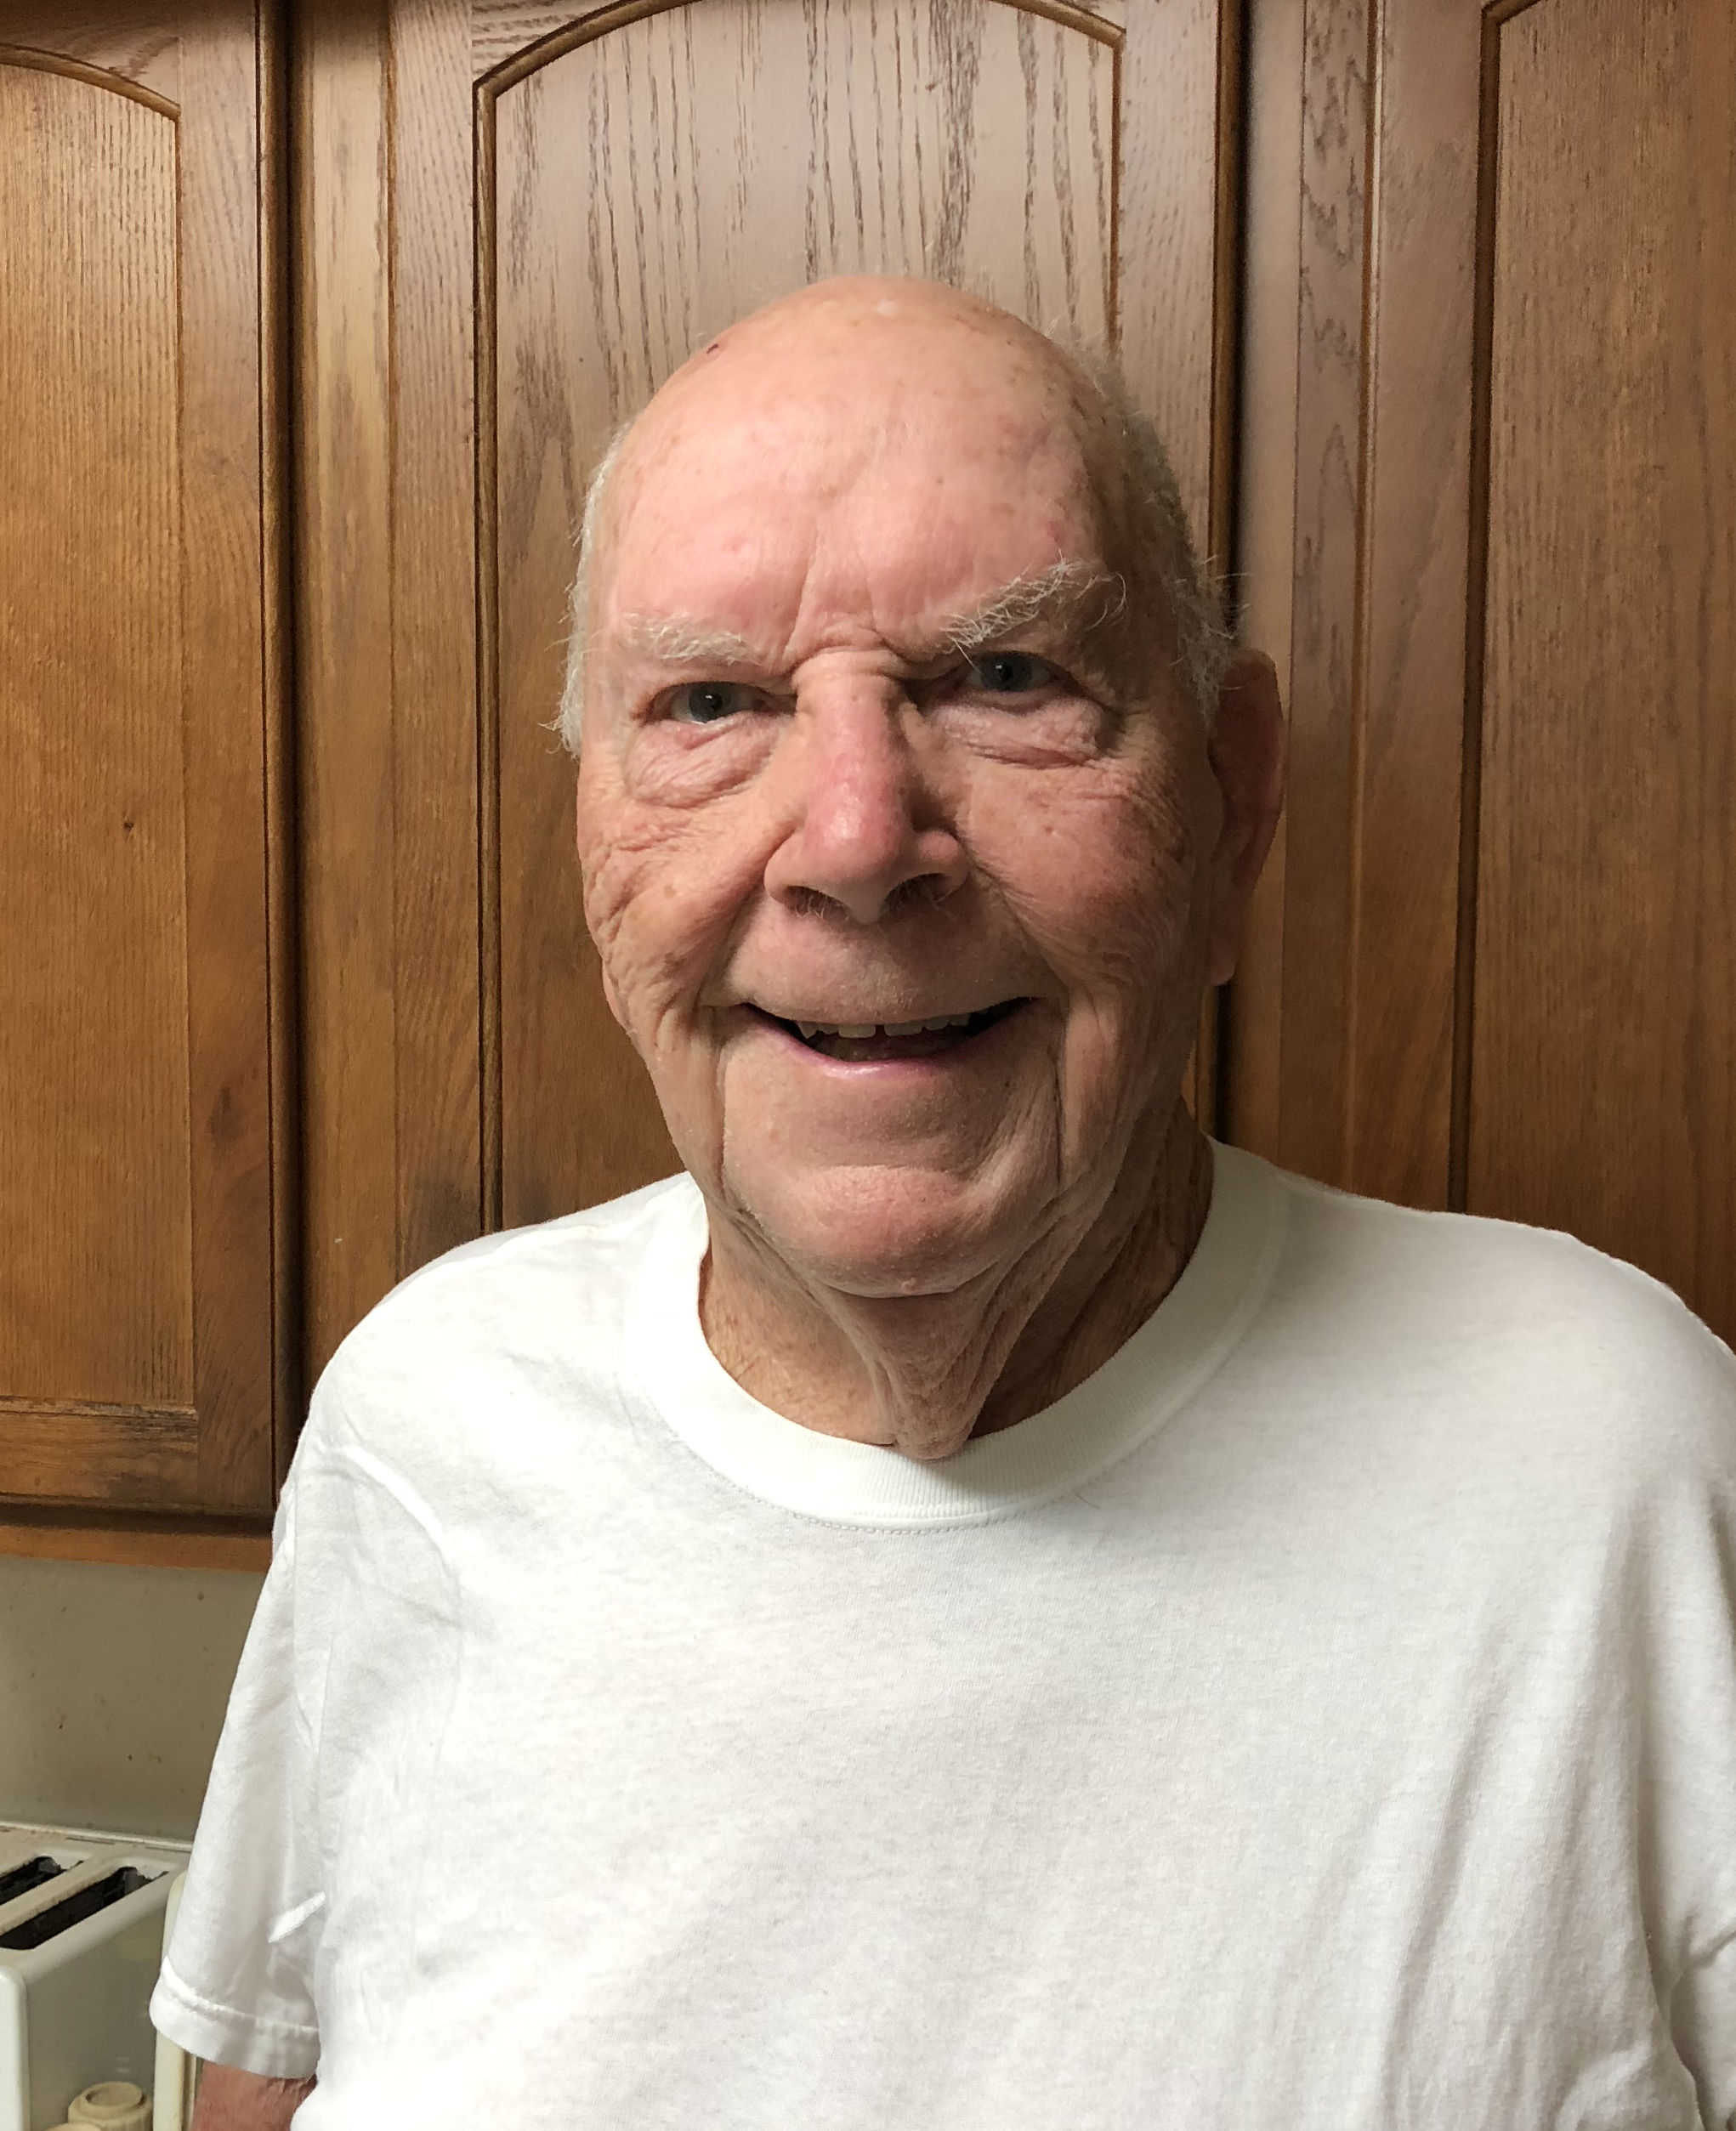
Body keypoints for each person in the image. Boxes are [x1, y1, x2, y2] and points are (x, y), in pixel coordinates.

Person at [154, 278, 1736, 2129]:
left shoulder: (1613, 1464)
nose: (850, 839)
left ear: (1230, 801)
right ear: (593, 838)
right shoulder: (424, 1417)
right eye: (713, 702)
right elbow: (255, 2087)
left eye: (1004, 679)